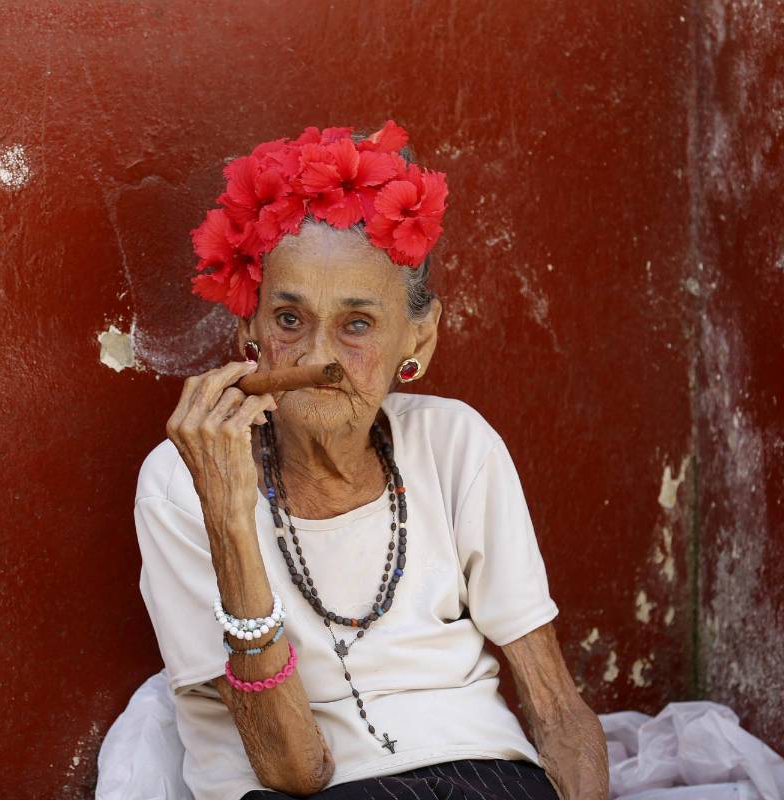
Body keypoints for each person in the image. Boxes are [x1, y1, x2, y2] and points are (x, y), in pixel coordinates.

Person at [134, 121, 608, 800]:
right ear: (249, 328)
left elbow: (557, 708)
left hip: (490, 781)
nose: (319, 357)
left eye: (357, 325)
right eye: (290, 320)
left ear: (419, 337)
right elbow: (294, 771)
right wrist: (231, 520)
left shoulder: (455, 444)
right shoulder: (184, 480)